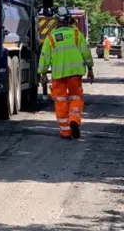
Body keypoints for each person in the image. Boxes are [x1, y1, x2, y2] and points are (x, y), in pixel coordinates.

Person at [38, 7, 94, 140]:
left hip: (58, 76)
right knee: (76, 98)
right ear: (69, 19)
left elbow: (44, 56)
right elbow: (86, 52)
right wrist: (90, 68)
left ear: (57, 21)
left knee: (61, 102)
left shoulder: (50, 38)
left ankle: (65, 132)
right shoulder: (76, 34)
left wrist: (43, 73)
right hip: (75, 75)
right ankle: (74, 119)